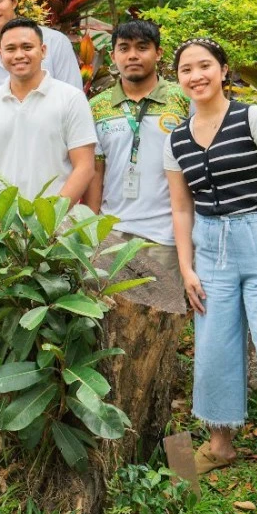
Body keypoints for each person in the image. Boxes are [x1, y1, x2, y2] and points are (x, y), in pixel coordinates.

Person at [164, 38, 257, 494]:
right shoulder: (176, 138)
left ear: (223, 69)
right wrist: (187, 268)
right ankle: (220, 442)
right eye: (186, 69)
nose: (196, 75)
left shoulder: (253, 118)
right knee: (213, 347)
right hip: (210, 247)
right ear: (179, 79)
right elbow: (181, 209)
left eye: (205, 65)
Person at [85, 20, 189, 311]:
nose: (133, 55)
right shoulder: (97, 106)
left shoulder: (182, 99)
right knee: (109, 319)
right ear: (114, 56)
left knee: (162, 320)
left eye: (142, 48)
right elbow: (95, 169)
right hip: (112, 233)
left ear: (158, 53)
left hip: (164, 235)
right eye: (124, 48)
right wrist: (92, 231)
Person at [0, 18, 96, 201]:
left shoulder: (71, 99)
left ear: (43, 51)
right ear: (0, 54)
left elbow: (85, 167)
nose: (19, 55)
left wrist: (50, 218)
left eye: (27, 47)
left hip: (56, 225)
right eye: (10, 49)